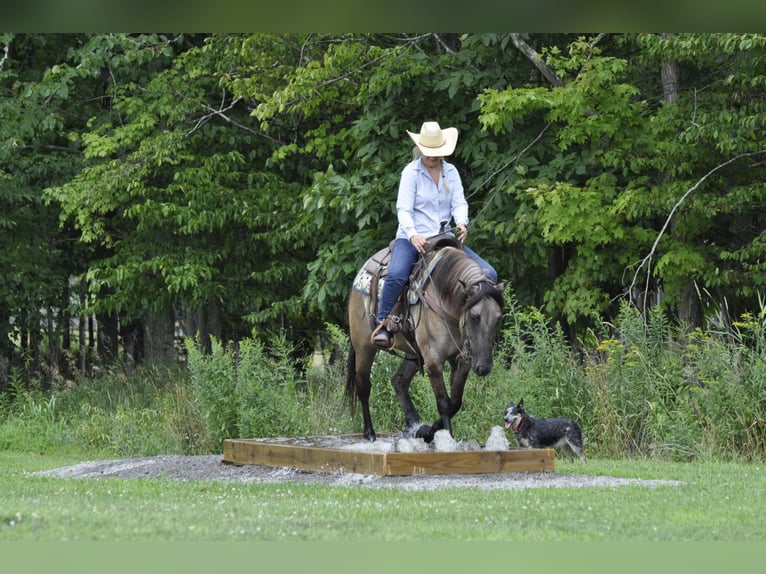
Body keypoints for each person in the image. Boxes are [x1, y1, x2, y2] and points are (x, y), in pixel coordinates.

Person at [371, 121, 498, 349]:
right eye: (429, 152)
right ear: (421, 149)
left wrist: (461, 221)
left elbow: (459, 202)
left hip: (444, 238)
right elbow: (404, 209)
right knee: (397, 274)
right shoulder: (411, 173)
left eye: (437, 153)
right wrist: (412, 235)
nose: (433, 156)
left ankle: (471, 326)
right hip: (413, 238)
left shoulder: (451, 172)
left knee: (489, 273)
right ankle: (382, 323)